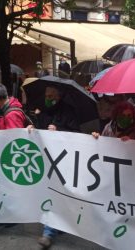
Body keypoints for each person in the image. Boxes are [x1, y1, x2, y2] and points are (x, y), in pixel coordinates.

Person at [32, 86, 80, 248]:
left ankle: (49, 231)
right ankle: (55, 226)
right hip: (46, 158)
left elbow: (76, 132)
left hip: (63, 159)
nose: (48, 98)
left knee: (56, 192)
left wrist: (59, 130)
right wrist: (34, 124)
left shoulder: (68, 112)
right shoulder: (43, 110)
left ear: (59, 97)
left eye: (51, 95)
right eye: (46, 95)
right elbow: (40, 131)